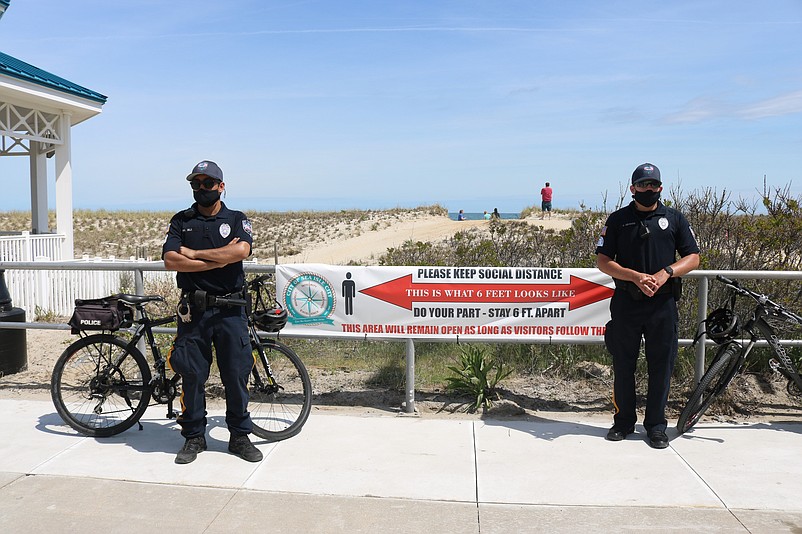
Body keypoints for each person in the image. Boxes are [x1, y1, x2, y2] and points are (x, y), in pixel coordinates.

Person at [162, 160, 263, 464]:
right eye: (196, 183)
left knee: (235, 374)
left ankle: (239, 436)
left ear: (221, 186)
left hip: (231, 310)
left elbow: (241, 251)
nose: (202, 189)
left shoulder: (236, 219)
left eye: (208, 184)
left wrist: (194, 254)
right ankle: (194, 437)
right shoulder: (182, 221)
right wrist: (219, 261)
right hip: (193, 310)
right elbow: (170, 260)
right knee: (192, 374)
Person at [595, 163, 700, 449]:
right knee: (623, 364)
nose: (648, 190)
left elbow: (693, 257)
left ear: (660, 188)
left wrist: (666, 271)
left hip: (663, 304)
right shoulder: (618, 220)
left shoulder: (674, 218)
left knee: (661, 367)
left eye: (653, 185)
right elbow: (603, 260)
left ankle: (655, 426)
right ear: (632, 189)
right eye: (642, 185)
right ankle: (623, 423)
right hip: (627, 302)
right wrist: (634, 277)